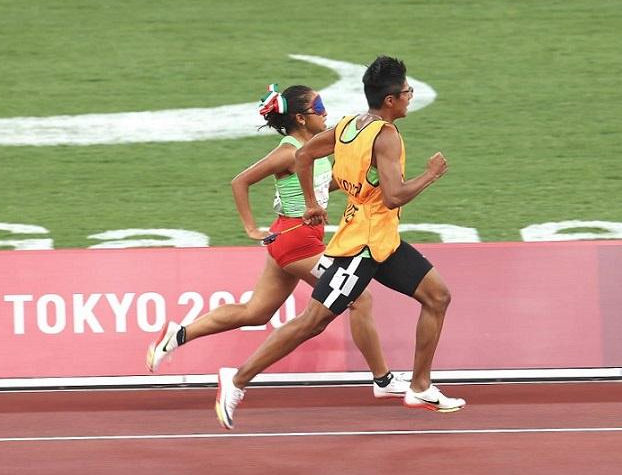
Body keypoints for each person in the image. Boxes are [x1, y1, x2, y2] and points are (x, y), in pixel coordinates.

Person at [216, 56, 465, 430]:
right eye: (407, 92)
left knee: (437, 296)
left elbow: (303, 156)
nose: (410, 97)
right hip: (360, 248)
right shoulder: (386, 136)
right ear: (391, 101)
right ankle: (236, 380)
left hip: (383, 241)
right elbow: (395, 196)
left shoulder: (349, 124)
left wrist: (314, 204)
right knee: (312, 322)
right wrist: (430, 175)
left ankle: (420, 386)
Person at [145, 83, 409, 402]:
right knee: (359, 297)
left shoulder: (312, 148)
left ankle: (179, 334)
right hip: (296, 242)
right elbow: (240, 182)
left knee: (256, 312)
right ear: (300, 118)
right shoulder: (289, 151)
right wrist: (251, 229)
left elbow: (326, 183)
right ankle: (382, 378)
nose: (326, 113)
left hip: (292, 237)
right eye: (319, 107)